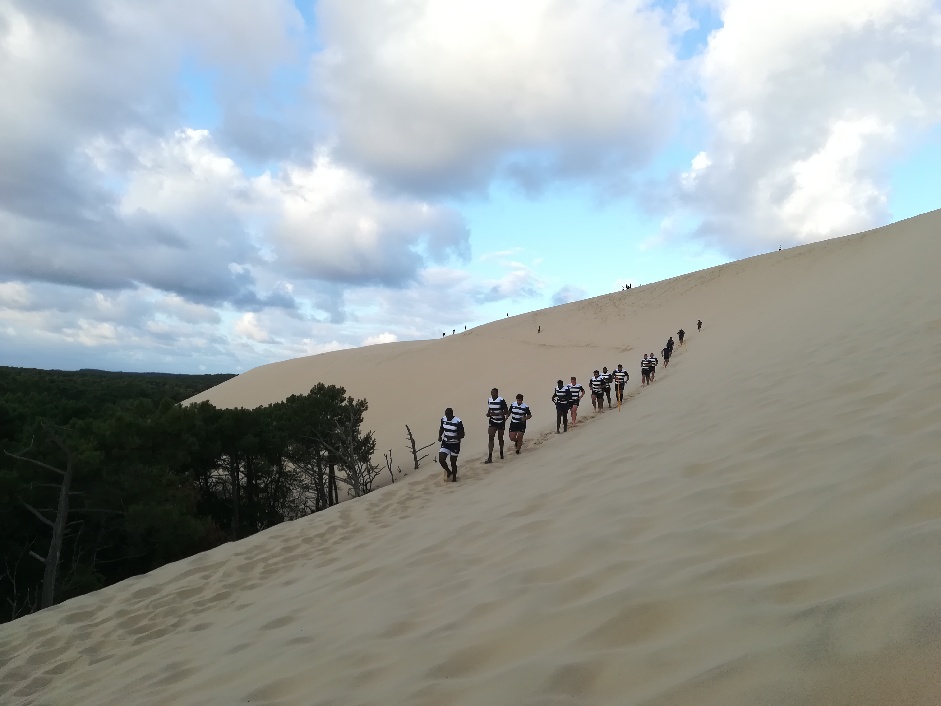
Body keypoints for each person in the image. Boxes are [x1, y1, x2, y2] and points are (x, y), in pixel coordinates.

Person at [438, 408, 465, 481]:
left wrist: (452, 437)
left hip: (455, 444)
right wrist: (440, 436)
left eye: (448, 415)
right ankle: (448, 471)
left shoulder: (458, 421)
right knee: (441, 459)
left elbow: (462, 435)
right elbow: (441, 428)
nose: (447, 416)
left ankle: (454, 478)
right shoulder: (443, 419)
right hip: (446, 443)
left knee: (453, 462)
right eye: (446, 415)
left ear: (452, 414)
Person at [484, 388, 509, 464]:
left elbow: (506, 411)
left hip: (501, 421)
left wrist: (497, 414)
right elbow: (490, 409)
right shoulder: (489, 399)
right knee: (491, 437)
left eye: (494, 393)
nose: (493, 394)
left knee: (500, 437)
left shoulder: (501, 400)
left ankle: (501, 452)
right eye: (492, 393)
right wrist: (488, 413)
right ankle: (490, 456)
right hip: (492, 421)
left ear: (497, 393)